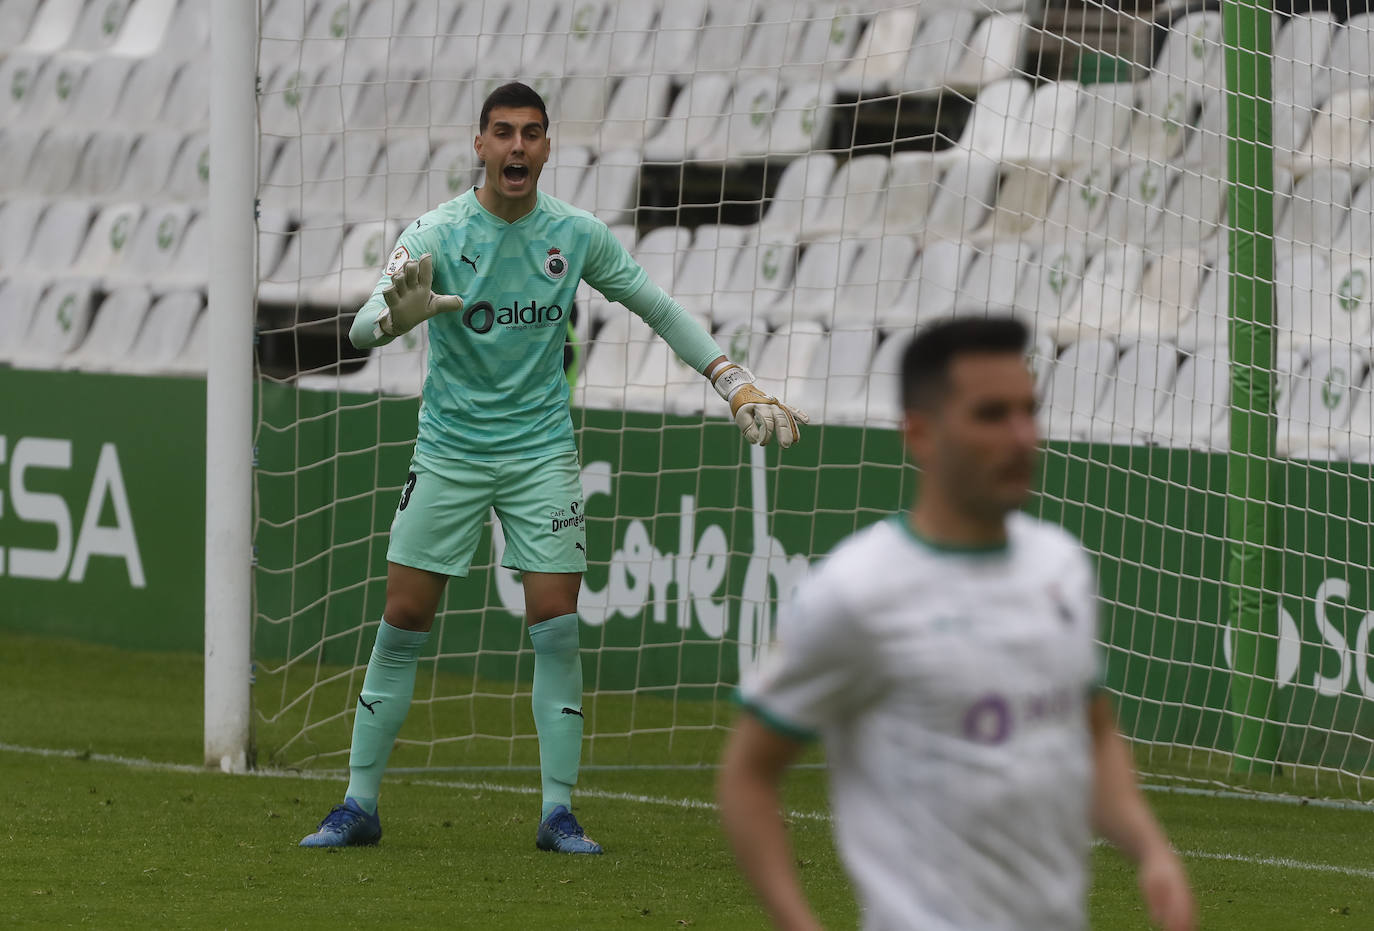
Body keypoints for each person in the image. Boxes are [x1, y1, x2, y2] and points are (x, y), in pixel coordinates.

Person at [300, 82, 806, 854]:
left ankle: (558, 810)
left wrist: (732, 380)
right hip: (450, 449)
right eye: (502, 133)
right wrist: (389, 320)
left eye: (531, 134)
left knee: (556, 623)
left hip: (540, 451)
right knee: (404, 615)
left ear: (546, 146)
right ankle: (358, 802)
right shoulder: (436, 231)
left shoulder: (574, 233)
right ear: (479, 145)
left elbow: (657, 306)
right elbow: (370, 320)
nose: (516, 148)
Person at [717, 317, 1195, 929]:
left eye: (1029, 411)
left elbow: (1092, 729)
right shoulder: (858, 591)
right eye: (991, 415)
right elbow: (748, 776)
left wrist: (1152, 851)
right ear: (920, 433)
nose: (1023, 437)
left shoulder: (1062, 566)